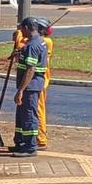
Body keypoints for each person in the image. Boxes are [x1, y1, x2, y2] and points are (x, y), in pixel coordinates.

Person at [11, 17, 48, 156]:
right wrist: (19, 55)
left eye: (21, 28)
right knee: (21, 116)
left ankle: (30, 147)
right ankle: (21, 143)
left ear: (27, 28)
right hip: (29, 86)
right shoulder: (36, 42)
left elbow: (30, 69)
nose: (21, 31)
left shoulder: (32, 45)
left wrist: (20, 90)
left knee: (29, 116)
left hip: (30, 87)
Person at [37, 19, 55, 149]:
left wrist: (19, 35)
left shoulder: (46, 42)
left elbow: (24, 44)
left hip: (40, 81)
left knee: (38, 110)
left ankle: (41, 138)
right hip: (41, 80)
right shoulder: (44, 41)